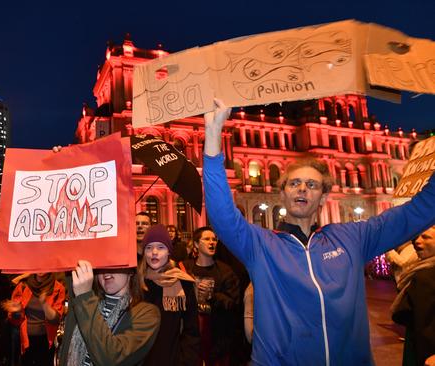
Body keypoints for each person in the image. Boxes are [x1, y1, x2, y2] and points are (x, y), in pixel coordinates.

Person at [203, 99, 435, 365]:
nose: (302, 188)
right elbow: (222, 214)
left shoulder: (352, 238)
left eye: (312, 184)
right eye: (295, 183)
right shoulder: (262, 246)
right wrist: (212, 142)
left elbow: (417, 211)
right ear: (283, 193)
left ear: (324, 197)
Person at [58, 260, 161, 365]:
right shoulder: (82, 301)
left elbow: (111, 359)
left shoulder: (147, 314)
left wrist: (85, 297)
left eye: (113, 264)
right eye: (101, 266)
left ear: (130, 270)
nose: (106, 271)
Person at [140, 224, 200, 365]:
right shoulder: (138, 282)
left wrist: (185, 360)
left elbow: (191, 330)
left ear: (169, 252)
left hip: (172, 359)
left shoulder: (184, 283)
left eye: (161, 247)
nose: (154, 252)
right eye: (149, 247)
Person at [181, 227, 240, 366]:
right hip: (191, 338)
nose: (211, 242)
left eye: (214, 239)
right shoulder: (185, 269)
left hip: (217, 338)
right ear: (196, 244)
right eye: (206, 239)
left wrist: (211, 296)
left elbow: (233, 303)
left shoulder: (225, 271)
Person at [392, 226, 435, 366]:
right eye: (416, 236)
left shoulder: (425, 275)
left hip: (423, 350)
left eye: (426, 237)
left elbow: (424, 325)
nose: (417, 241)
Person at [6, 272, 66, 365]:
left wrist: (44, 304)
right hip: (26, 339)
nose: (41, 269)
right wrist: (17, 311)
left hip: (46, 340)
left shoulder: (57, 287)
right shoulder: (23, 286)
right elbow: (14, 320)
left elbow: (55, 320)